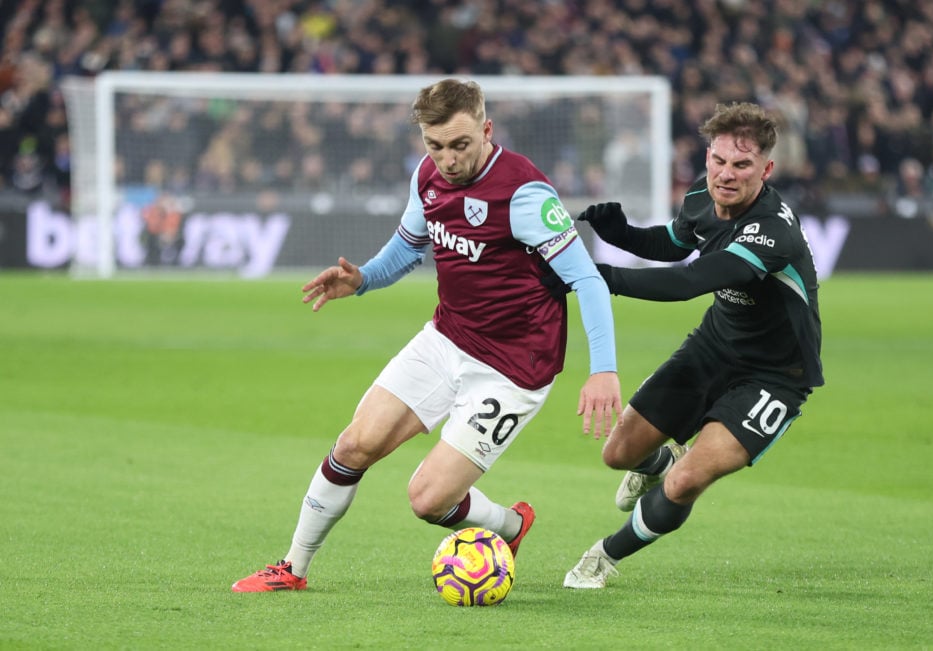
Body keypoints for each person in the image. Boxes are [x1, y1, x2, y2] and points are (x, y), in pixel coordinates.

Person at [231, 79, 621, 592]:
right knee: (353, 445)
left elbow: (586, 278)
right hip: (447, 339)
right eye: (435, 146)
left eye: (460, 145)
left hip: (513, 369)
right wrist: (363, 279)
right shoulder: (427, 177)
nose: (448, 159)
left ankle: (507, 524)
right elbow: (407, 248)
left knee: (428, 500)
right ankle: (293, 569)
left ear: (486, 130)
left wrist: (604, 368)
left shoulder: (525, 194)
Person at [562, 102, 823, 589]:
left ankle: (604, 556)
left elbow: (689, 280)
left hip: (774, 377)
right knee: (618, 453)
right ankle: (660, 462)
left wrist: (596, 278)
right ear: (707, 157)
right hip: (715, 344)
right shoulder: (703, 193)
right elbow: (680, 242)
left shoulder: (772, 231)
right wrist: (626, 237)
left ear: (766, 169)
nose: (727, 174)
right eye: (719, 160)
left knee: (686, 483)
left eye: (742, 165)